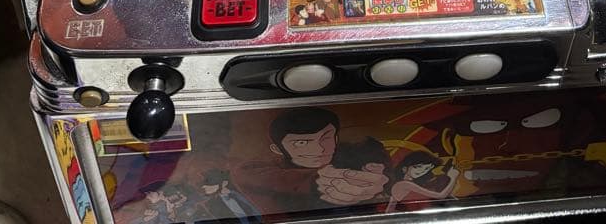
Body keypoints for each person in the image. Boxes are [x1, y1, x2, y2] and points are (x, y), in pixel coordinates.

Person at [235, 107, 389, 215]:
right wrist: (320, 180)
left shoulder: (356, 152)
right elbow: (252, 175)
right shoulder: (252, 169)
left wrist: (379, 178)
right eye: (302, 143)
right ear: (278, 149)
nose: (319, 149)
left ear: (335, 138)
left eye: (325, 138)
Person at [385, 151, 460, 212]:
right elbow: (441, 196)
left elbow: (390, 209)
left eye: (426, 169)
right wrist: (453, 178)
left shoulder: (407, 184)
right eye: (418, 167)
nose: (422, 171)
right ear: (404, 168)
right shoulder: (404, 184)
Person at [191, 169, 262, 223]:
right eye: (205, 184)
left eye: (210, 184)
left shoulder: (241, 193)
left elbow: (254, 210)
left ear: (224, 183)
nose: (204, 187)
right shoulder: (210, 204)